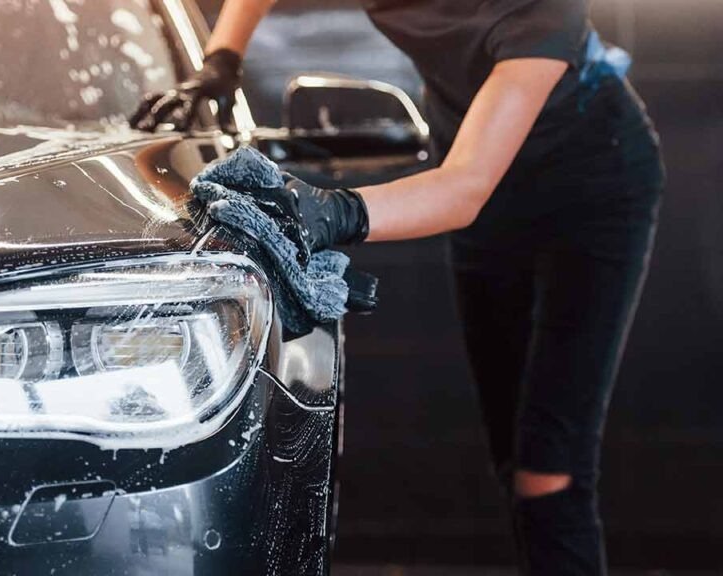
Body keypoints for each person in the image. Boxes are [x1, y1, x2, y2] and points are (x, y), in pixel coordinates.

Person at [130, 1, 665, 574]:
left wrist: (333, 213)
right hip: (488, 201)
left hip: (590, 196)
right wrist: (222, 62)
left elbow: (464, 189)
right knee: (515, 458)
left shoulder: (543, 11)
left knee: (548, 470)